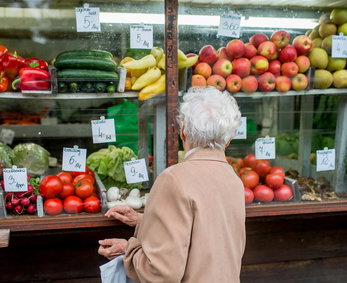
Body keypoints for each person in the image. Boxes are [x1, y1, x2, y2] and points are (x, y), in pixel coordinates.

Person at [98, 86, 246, 282]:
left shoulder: (174, 179)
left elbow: (160, 273)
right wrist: (144, 220)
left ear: (182, 131)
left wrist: (129, 249)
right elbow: (205, 235)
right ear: (227, 140)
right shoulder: (233, 179)